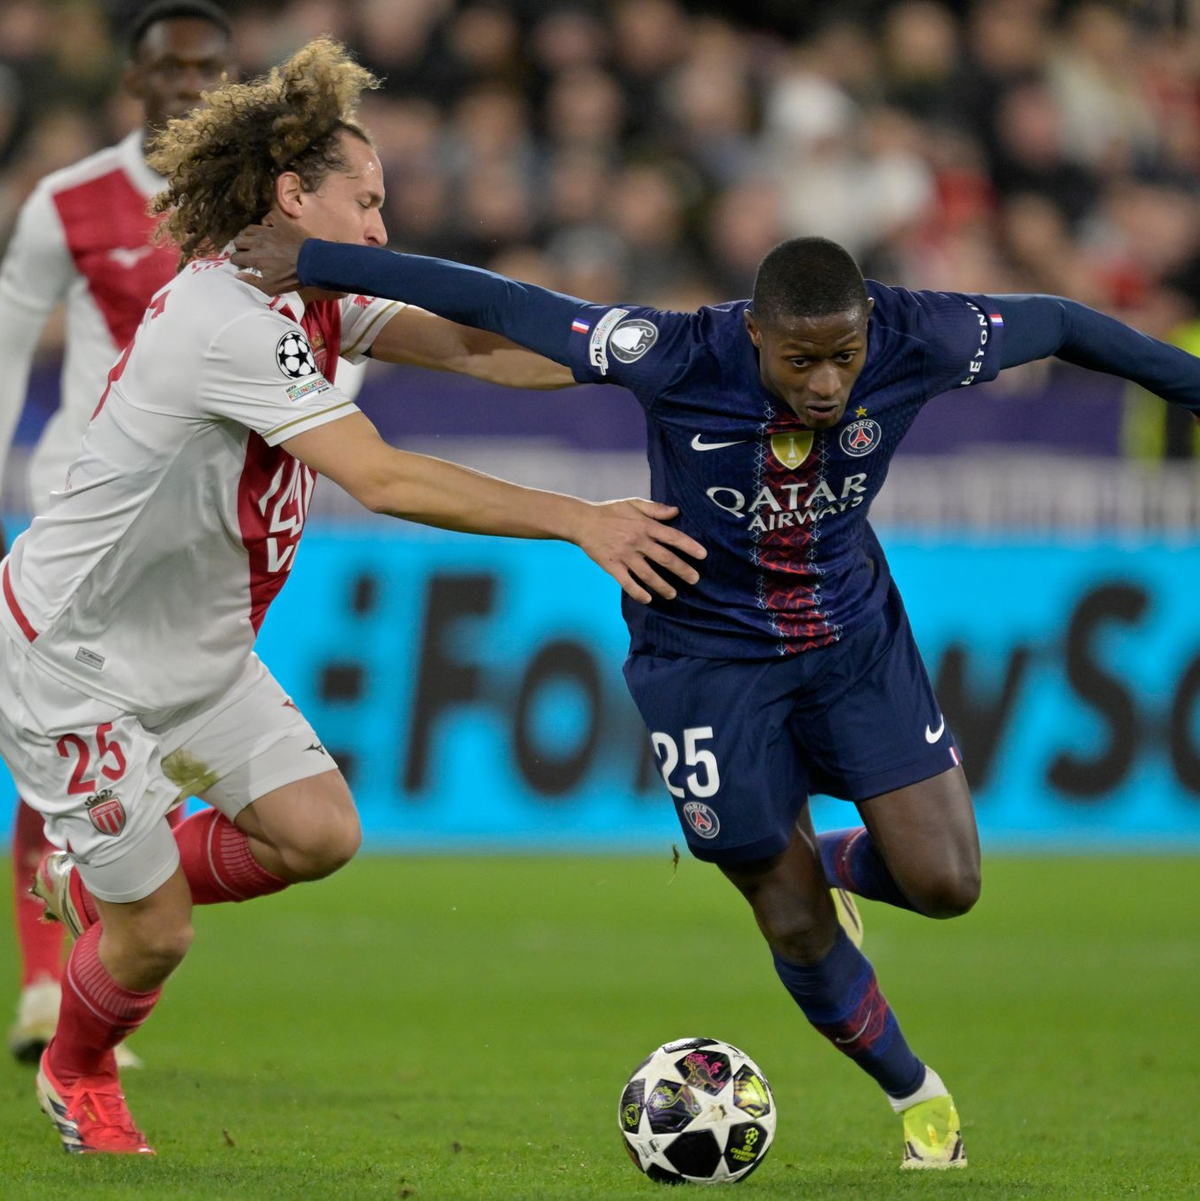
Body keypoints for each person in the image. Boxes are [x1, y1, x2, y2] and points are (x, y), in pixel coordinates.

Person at [231, 222, 1200, 1171]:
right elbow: (506, 304)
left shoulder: (927, 335)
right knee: (783, 911)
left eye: (843, 359)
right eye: (800, 361)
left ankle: (823, 855)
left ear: (869, 330)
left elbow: (1069, 323)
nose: (825, 384)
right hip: (701, 656)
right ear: (754, 336)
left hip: (850, 639)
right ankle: (916, 1095)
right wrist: (316, 262)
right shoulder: (675, 352)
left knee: (946, 884)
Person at [1, 38, 705, 1156]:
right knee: (159, 939)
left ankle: (103, 879)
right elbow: (380, 476)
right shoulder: (222, 322)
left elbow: (480, 350)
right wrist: (579, 517)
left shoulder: (317, 296)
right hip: (75, 663)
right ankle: (80, 1070)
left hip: (198, 654)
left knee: (319, 833)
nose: (382, 233)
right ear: (292, 195)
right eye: (364, 205)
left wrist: (656, 349)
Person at [0, 0, 236, 1068]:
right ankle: (50, 988)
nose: (189, 83)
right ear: (133, 81)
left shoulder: (257, 202)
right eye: (169, 66)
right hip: (81, 506)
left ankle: (88, 952)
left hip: (198, 520)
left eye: (209, 67)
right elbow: (9, 348)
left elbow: (337, 330)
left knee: (157, 741)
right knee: (66, 741)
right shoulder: (71, 200)